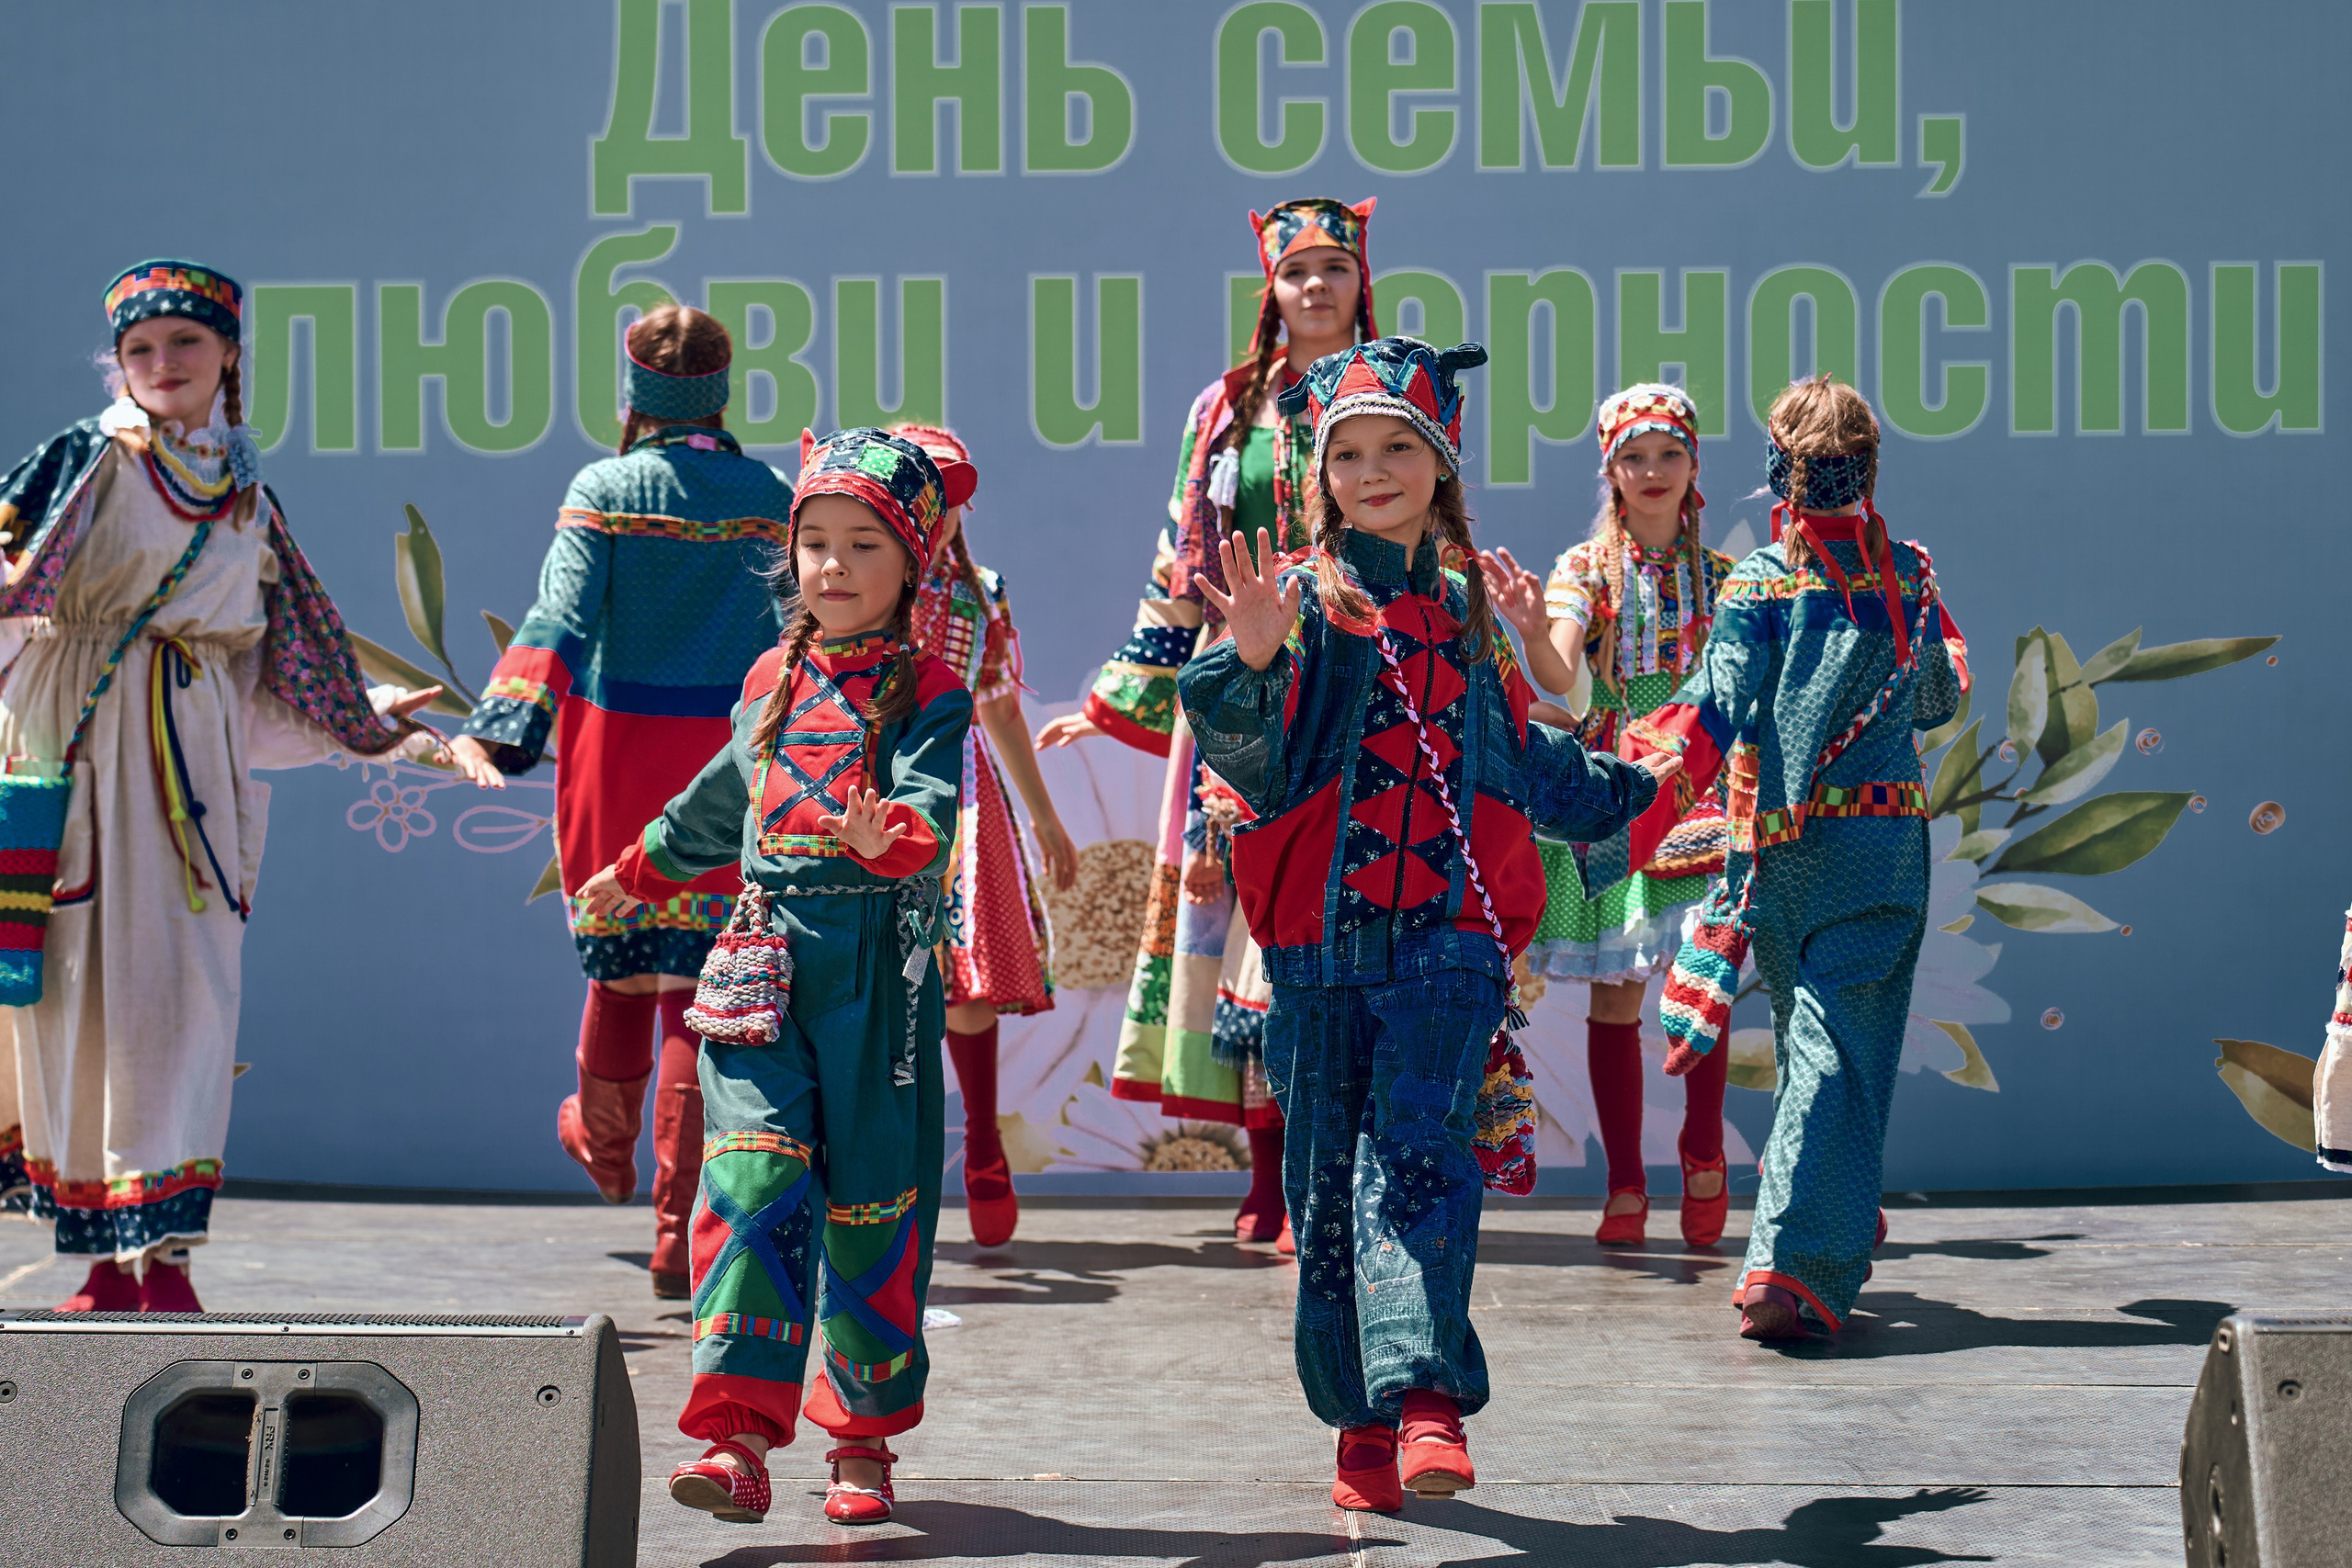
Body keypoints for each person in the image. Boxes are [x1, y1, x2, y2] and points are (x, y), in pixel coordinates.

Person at [1179, 338, 1676, 1511]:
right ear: (1322, 474)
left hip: (1447, 936)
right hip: (1313, 949)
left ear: (1440, 465)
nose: (1372, 469)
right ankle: (1360, 1423)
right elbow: (1251, 766)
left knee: (1416, 1155)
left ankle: (1427, 1401)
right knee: (1323, 1191)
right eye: (1347, 453)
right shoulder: (1296, 599)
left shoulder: (1461, 607)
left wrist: (1638, 793)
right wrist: (1242, 668)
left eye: (1398, 446)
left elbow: (1509, 757)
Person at [0, 259, 442, 1312]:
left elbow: (291, 655)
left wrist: (379, 726)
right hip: (81, 740)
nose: (163, 365)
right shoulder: (86, 462)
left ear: (229, 354)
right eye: (142, 349)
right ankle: (112, 1261)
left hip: (190, 757)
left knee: (187, 997)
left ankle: (167, 1258)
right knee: (84, 992)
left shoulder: (244, 495)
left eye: (185, 344)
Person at [579, 426, 968, 1527]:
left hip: (874, 979)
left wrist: (880, 831)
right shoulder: (769, 676)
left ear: (909, 565)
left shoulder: (927, 691)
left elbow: (932, 818)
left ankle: (860, 1440)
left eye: (862, 546)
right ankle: (737, 1435)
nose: (833, 568)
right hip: (760, 964)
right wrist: (638, 870)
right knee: (748, 1187)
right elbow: (719, 796)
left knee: (868, 1207)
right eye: (813, 545)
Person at [1036, 197, 1378, 1245]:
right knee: (1244, 921)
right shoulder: (1229, 409)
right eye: (1295, 271)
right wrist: (1115, 698)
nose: (1314, 285)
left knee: (1347, 911)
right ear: (1269, 290)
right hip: (1240, 679)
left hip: (1357, 678)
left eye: (1333, 265)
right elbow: (1182, 554)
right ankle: (1270, 1182)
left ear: (1363, 278)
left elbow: (1435, 535)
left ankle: (1345, 1176)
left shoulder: (1395, 392)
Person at [448, 305, 788, 1299]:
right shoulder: (769, 493)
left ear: (634, 392)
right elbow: (792, 631)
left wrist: (504, 725)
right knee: (699, 983)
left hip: (615, 751)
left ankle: (604, 1152)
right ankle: (677, 1230)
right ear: (721, 391)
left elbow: (558, 613)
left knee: (620, 961)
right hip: (732, 758)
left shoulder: (604, 487)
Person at [1626, 375, 1966, 1341]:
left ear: (1778, 466)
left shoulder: (1760, 584)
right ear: (1868, 466)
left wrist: (1649, 768)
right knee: (1837, 1054)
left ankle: (1812, 1244)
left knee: (1817, 1051)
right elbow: (1937, 700)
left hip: (1780, 851)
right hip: (1876, 845)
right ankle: (1805, 1251)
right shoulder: (1907, 574)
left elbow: (1721, 694)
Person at [1481, 384, 1736, 1247]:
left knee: (1706, 967)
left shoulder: (1729, 581)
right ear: (1611, 470)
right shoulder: (1586, 568)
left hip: (1701, 776)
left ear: (1694, 464)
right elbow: (1560, 672)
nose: (1652, 471)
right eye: (1635, 456)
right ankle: (1627, 1181)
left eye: (1668, 454)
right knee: (1621, 992)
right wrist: (1528, 630)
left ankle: (1703, 1148)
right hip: (1625, 779)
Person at [892, 423, 1076, 1249]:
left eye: (956, 501)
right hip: (880, 781)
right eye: (930, 499)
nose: (944, 516)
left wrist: (1044, 815)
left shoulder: (982, 587)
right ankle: (897, 1167)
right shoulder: (868, 575)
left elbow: (998, 699)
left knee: (964, 975)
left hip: (963, 790)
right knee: (890, 978)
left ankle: (983, 1144)